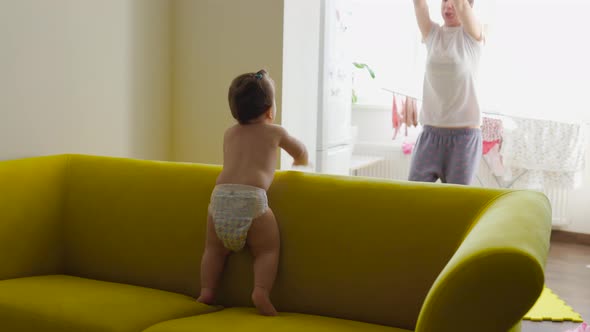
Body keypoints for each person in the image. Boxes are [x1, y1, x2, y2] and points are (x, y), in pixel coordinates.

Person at [197, 69, 308, 316]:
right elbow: (300, 151)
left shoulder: (229, 133)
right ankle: (260, 290)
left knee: (213, 250)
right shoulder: (275, 132)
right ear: (270, 110)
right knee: (267, 250)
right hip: (252, 200)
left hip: (220, 198)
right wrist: (301, 162)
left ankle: (207, 290)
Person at [409, 0, 484, 185]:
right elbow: (419, 5)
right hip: (430, 134)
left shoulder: (473, 36)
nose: (447, 6)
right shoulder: (432, 34)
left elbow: (462, 5)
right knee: (412, 198)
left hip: (464, 138)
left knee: (456, 204)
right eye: (444, 1)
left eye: (453, 2)